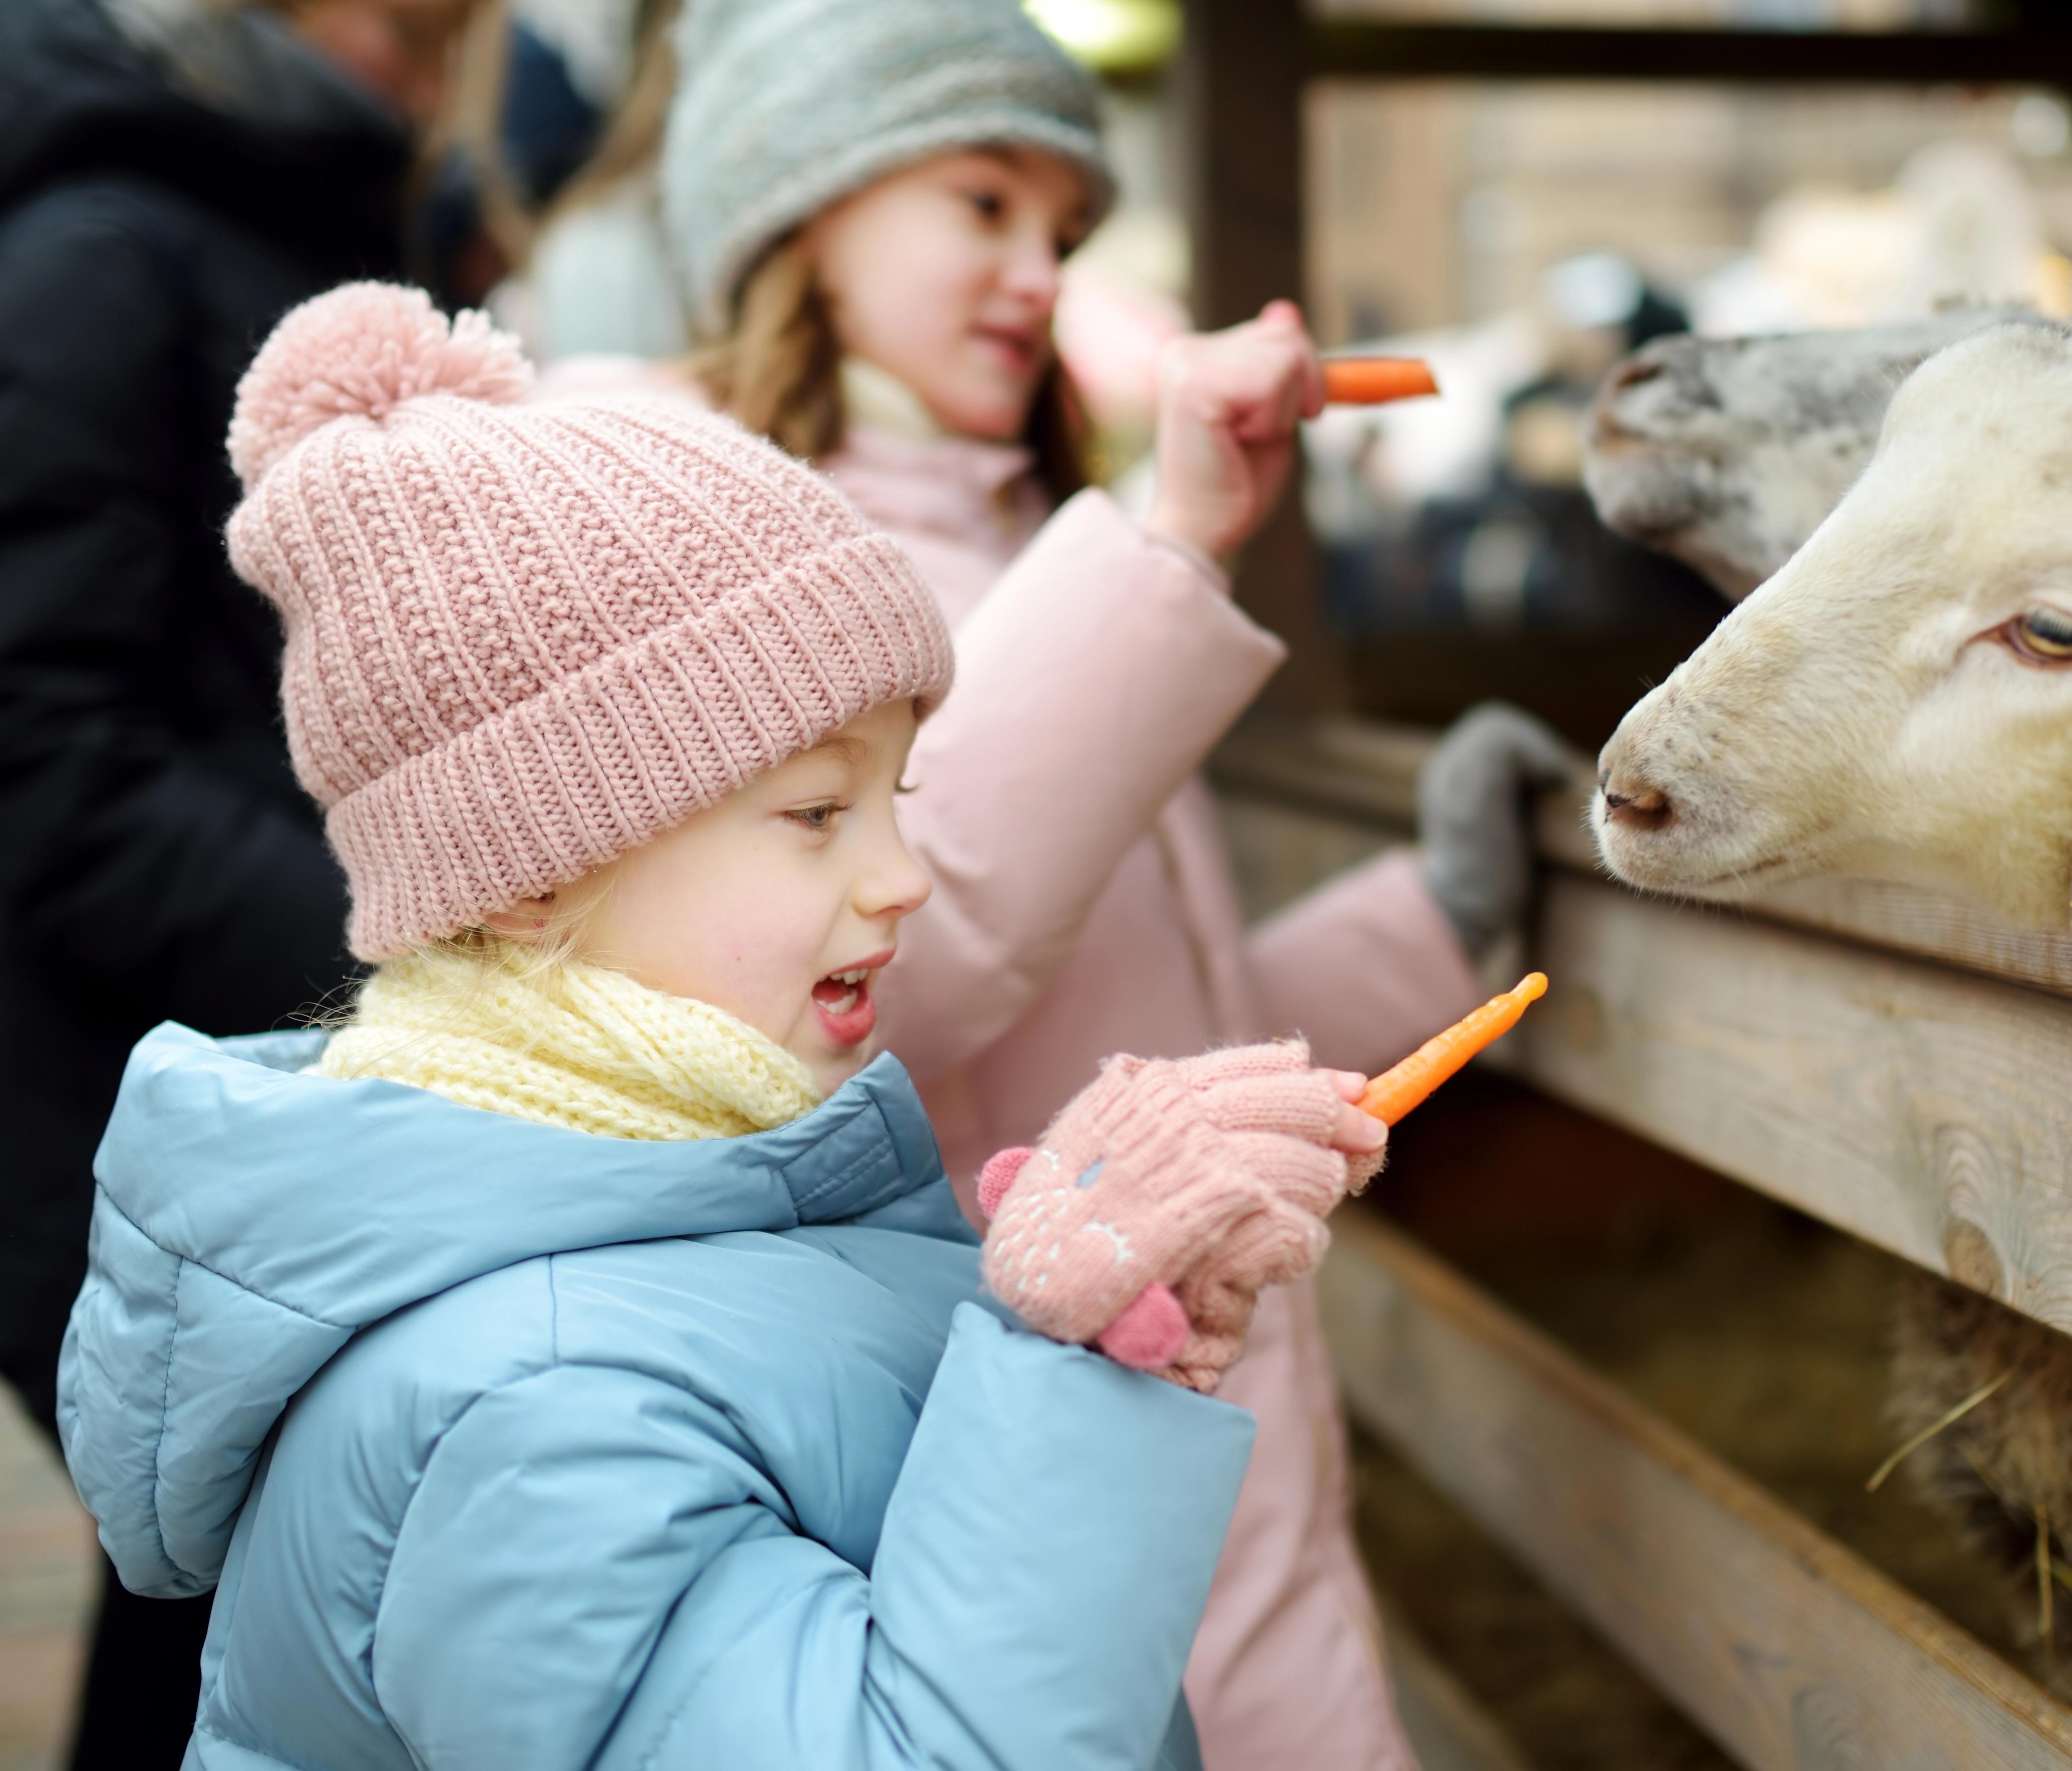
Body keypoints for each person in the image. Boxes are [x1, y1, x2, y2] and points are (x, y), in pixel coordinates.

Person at [60, 281, 1388, 1771]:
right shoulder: (536, 1408)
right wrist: (1062, 1376)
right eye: (817, 813)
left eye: (900, 799)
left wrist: (1097, 1355)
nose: (900, 878)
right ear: (536, 871)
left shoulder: (681, 1205)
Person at [611, 5, 1579, 1765]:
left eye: (1063, 229)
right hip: (1029, 1429)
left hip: (1185, 1387)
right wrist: (1172, 539)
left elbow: (1116, 1016)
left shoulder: (1011, 533)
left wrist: (1422, 925)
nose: (1034, 271)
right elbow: (887, 982)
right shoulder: (724, 563)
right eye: (982, 202)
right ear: (796, 209)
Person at [0, 0, 480, 1761]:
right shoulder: (102, 248)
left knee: (240, 1599)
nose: (433, 37)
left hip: (277, 1070)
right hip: (128, 1104)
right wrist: (426, 946)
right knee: (233, 1568)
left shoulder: (317, 221)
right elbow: (44, 757)